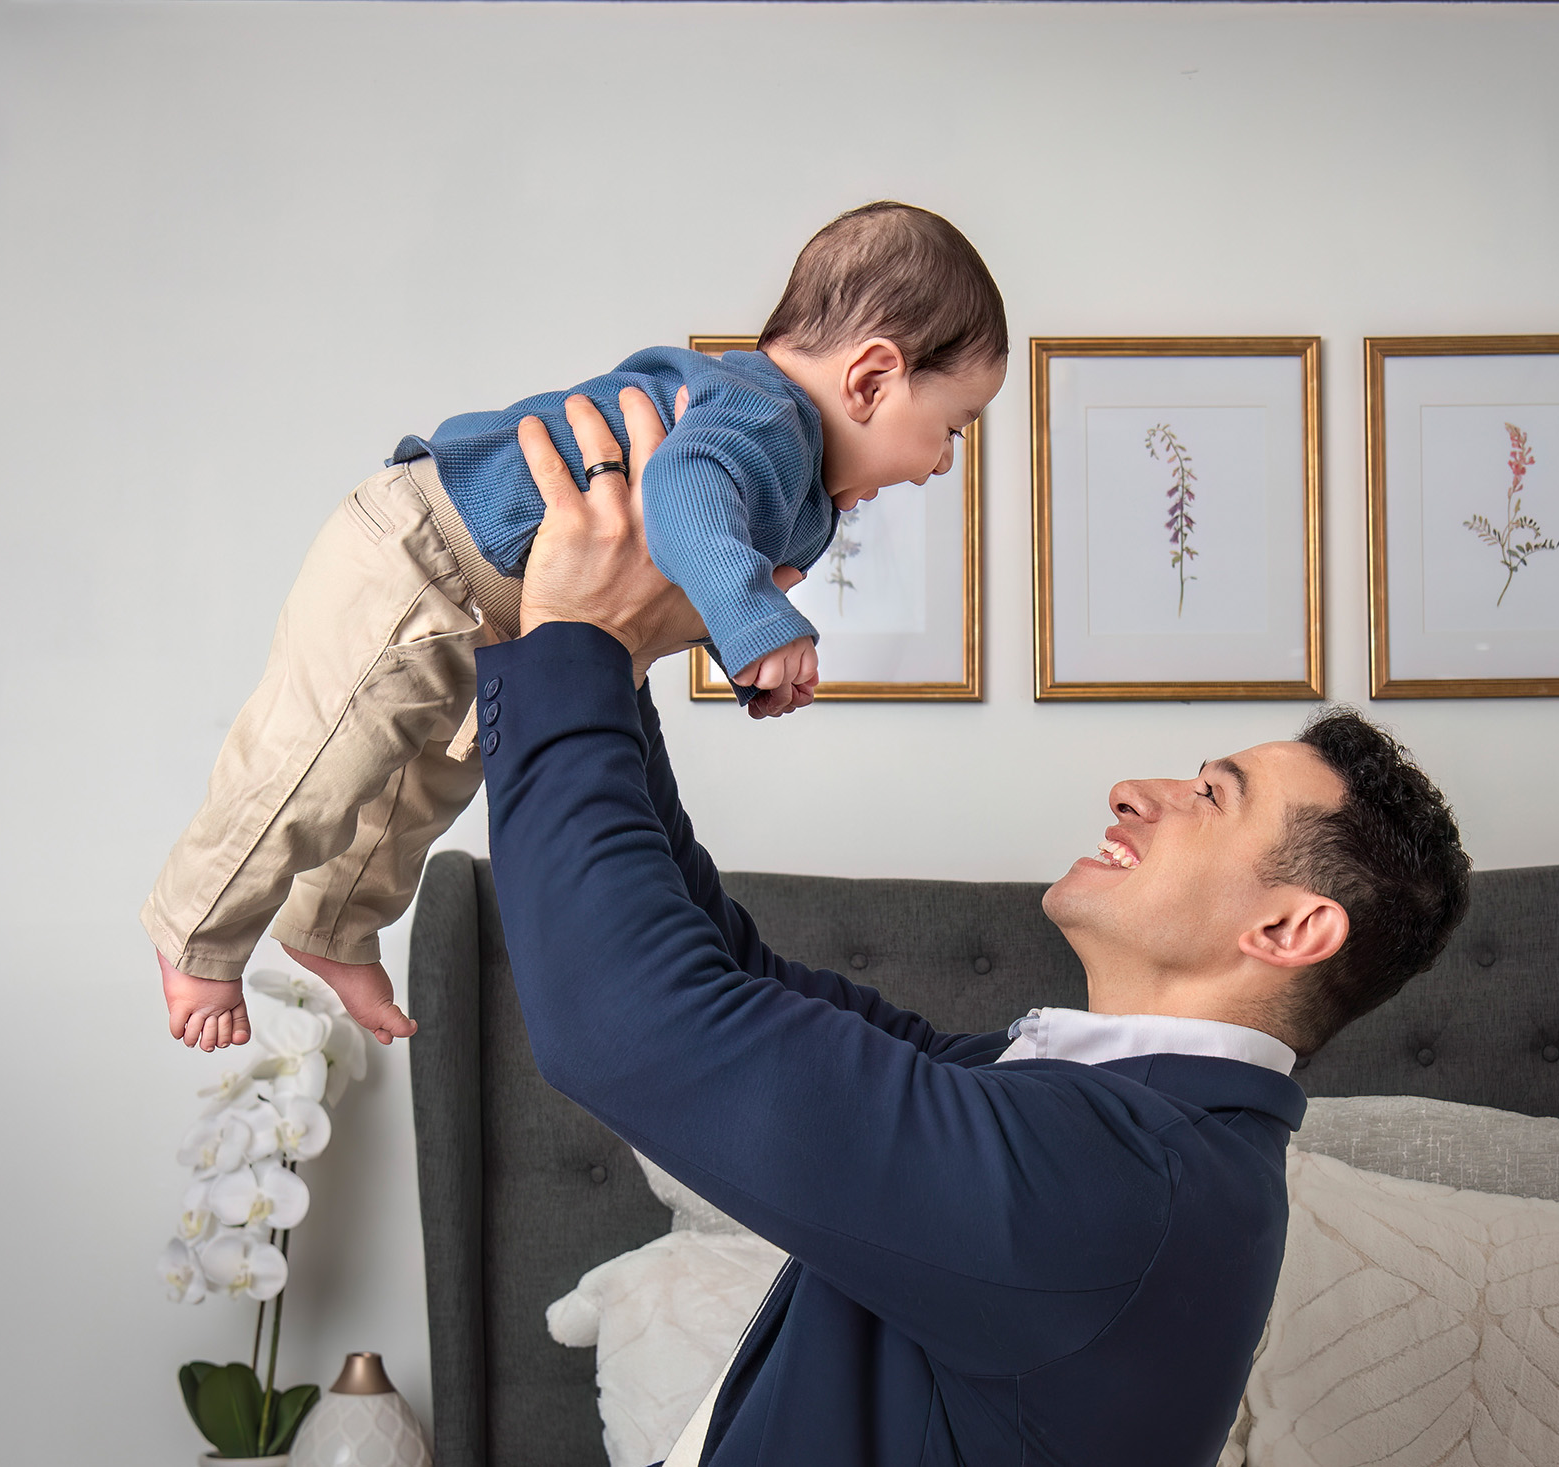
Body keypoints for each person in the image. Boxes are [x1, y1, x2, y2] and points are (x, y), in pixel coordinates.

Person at [481, 391, 1472, 1466]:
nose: (1137, 791)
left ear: (1289, 929)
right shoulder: (1084, 1117)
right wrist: (610, 662)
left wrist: (572, 642)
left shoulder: (1116, 1184)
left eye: (1209, 797)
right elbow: (720, 973)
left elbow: (630, 1029)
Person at [145, 201, 1009, 1054]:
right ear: (871, 378)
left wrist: (748, 650)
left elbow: (678, 559)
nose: (942, 462)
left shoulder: (803, 487)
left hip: (497, 614)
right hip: (425, 554)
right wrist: (757, 620)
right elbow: (683, 491)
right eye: (953, 428)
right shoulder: (764, 416)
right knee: (317, 760)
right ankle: (197, 936)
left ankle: (332, 927)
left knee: (416, 793)